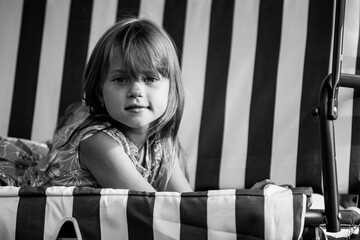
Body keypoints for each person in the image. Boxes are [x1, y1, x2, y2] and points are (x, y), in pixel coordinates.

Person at [29, 17, 192, 192]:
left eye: (150, 78)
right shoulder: (98, 142)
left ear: (171, 89)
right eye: (120, 79)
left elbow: (186, 205)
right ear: (100, 92)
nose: (136, 90)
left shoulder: (161, 144)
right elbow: (151, 210)